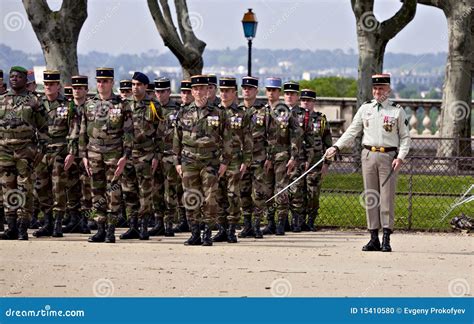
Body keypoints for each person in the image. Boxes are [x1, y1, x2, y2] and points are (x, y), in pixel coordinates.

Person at [325, 74, 410, 252]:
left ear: (389, 90)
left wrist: (400, 157)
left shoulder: (397, 111)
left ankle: (386, 237)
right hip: (368, 155)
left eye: (381, 88)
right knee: (371, 197)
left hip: (388, 156)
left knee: (386, 197)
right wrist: (337, 147)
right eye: (375, 89)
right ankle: (373, 238)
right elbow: (352, 130)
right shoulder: (366, 109)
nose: (377, 92)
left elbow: (405, 137)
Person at [173, 75, 231, 246]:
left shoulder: (218, 112)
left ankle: (207, 232)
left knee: (210, 198)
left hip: (210, 162)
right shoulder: (183, 112)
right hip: (189, 160)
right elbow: (177, 138)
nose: (199, 92)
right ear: (192, 91)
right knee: (191, 197)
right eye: (196, 89)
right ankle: (195, 233)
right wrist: (176, 162)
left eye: (202, 88)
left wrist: (224, 162)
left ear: (208, 90)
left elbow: (227, 139)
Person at [79, 67, 134, 243]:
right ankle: (100, 229)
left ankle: (111, 230)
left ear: (112, 82)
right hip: (94, 153)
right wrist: (84, 155)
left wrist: (125, 157)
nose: (101, 84)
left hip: (114, 154)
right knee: (97, 192)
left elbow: (128, 133)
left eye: (105, 81)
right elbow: (82, 131)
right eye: (99, 81)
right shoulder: (89, 104)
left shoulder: (121, 104)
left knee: (113, 193)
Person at [0, 66, 48, 240]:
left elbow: (44, 128)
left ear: (25, 80)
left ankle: (22, 227)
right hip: (4, 151)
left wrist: (41, 150)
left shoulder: (34, 101)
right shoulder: (2, 100)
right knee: (8, 188)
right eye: (12, 76)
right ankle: (11, 227)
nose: (14, 79)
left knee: (24, 189)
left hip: (25, 152)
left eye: (18, 77)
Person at [120, 72, 163, 240]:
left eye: (139, 84)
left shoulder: (154, 106)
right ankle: (133, 226)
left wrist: (156, 156)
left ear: (146, 86)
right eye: (133, 84)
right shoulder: (124, 105)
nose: (135, 87)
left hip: (146, 154)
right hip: (127, 154)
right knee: (128, 191)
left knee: (145, 192)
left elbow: (160, 133)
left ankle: (144, 225)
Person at [213, 77, 252, 243]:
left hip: (235, 159)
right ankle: (221, 227)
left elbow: (248, 139)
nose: (224, 94)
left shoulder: (242, 114)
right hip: (216, 159)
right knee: (218, 194)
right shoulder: (213, 112)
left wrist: (246, 160)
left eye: (227, 91)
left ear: (234, 93)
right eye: (222, 91)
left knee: (233, 194)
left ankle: (231, 228)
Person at [300, 89, 332, 231]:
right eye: (304, 100)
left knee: (313, 193)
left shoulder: (321, 119)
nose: (306, 103)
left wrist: (327, 164)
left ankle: (311, 220)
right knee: (298, 192)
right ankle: (298, 221)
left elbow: (328, 143)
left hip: (316, 162)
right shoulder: (294, 117)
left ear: (314, 102)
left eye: (309, 100)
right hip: (299, 161)